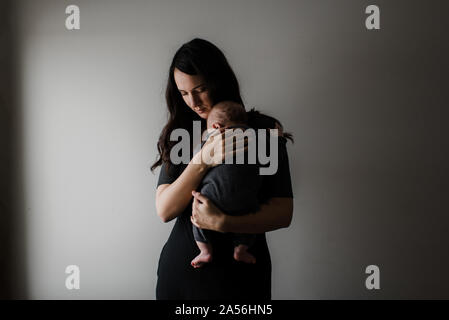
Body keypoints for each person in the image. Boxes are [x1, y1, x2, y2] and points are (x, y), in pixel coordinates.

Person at [152, 38, 294, 300]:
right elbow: (164, 210)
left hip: (243, 277)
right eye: (183, 93)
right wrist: (204, 158)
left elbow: (284, 212)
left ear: (219, 82)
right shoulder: (180, 135)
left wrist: (226, 223)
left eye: (200, 89)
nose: (193, 101)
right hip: (182, 275)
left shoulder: (263, 131)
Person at [191, 101, 260, 268]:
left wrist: (204, 141)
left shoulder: (212, 138)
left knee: (196, 218)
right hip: (247, 200)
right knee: (249, 227)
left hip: (214, 197)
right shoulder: (255, 137)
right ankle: (241, 250)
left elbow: (197, 159)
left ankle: (205, 251)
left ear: (215, 126)